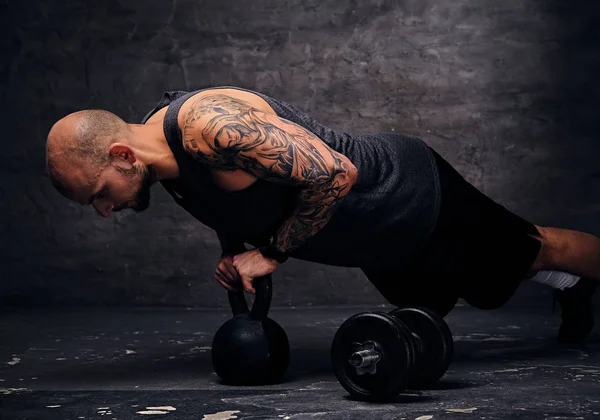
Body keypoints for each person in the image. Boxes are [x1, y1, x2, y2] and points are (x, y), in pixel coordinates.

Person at [45, 86, 599, 344]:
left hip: (406, 194)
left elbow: (335, 173)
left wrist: (271, 252)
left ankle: (569, 276)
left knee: (535, 249)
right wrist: (234, 254)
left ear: (121, 156)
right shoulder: (159, 162)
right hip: (368, 240)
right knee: (481, 288)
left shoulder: (208, 125)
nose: (102, 210)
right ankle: (570, 287)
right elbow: (231, 200)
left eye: (98, 193)